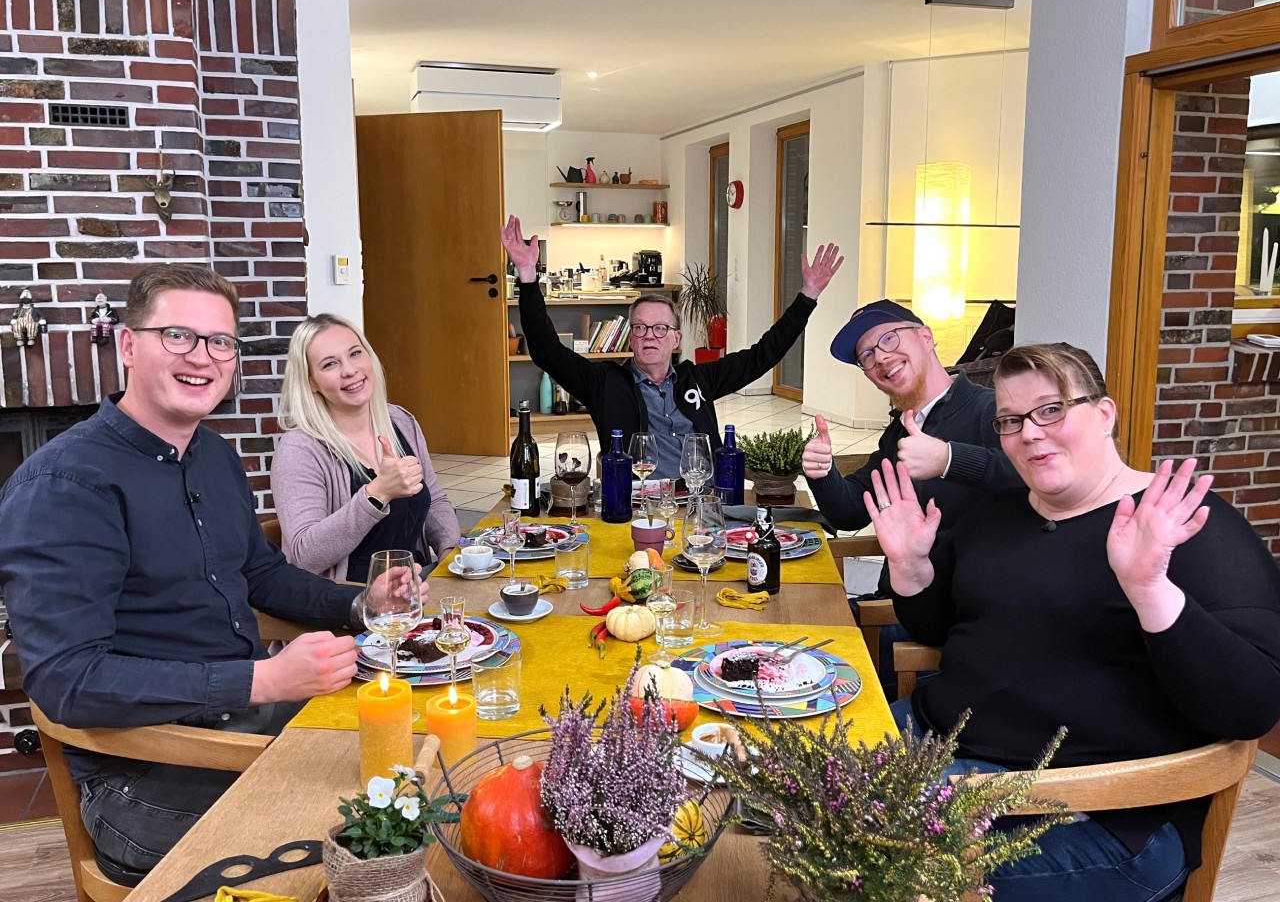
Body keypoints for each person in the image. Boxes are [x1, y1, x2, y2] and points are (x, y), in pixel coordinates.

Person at [0, 264, 417, 881]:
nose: (203, 356)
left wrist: (360, 605)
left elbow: (262, 574)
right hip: (141, 778)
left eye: (220, 341)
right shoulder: (64, 485)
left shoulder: (214, 454)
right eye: (178, 335)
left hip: (243, 728)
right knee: (378, 829)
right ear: (126, 345)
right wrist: (264, 681)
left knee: (415, 760)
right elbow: (65, 680)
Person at [868, 342, 1280, 902]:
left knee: (849, 868)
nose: (1030, 433)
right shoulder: (1000, 513)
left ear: (1104, 414)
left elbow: (1252, 705)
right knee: (771, 800)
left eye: (1052, 409)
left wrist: (1150, 590)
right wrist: (912, 567)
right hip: (936, 748)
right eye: (1010, 421)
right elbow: (940, 632)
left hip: (1098, 809)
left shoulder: (1188, 526)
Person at [500, 215, 844, 481]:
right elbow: (546, 350)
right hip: (637, 500)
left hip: (703, 496)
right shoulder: (604, 383)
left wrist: (807, 297)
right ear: (630, 338)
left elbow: (763, 355)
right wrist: (528, 275)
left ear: (676, 339)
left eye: (661, 328)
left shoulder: (698, 380)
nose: (650, 335)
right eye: (641, 328)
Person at [803, 299, 1021, 692]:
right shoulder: (901, 431)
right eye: (866, 356)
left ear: (926, 337)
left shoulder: (992, 411)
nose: (880, 358)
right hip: (898, 607)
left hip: (945, 636)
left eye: (888, 338)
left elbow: (1032, 482)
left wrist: (950, 459)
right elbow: (851, 511)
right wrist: (822, 473)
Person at [271, 313, 460, 581]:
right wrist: (378, 492)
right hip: (349, 607)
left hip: (417, 590)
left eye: (355, 353)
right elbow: (304, 557)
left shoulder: (400, 421)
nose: (349, 370)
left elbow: (435, 502)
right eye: (330, 364)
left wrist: (449, 551)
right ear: (311, 382)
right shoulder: (299, 450)